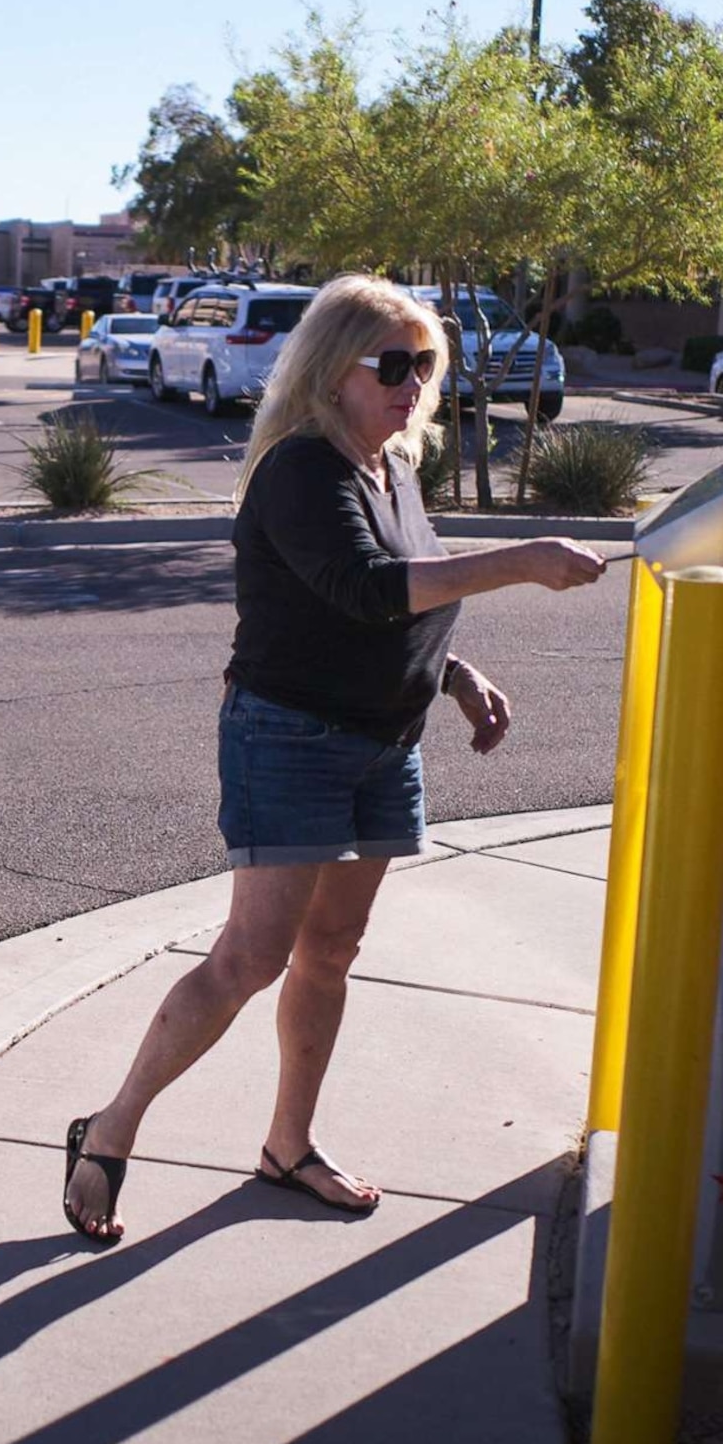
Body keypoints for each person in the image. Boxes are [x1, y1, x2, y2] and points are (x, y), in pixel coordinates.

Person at [61, 274, 607, 1243]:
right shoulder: (301, 469)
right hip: (291, 736)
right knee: (250, 958)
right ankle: (108, 1129)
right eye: (391, 365)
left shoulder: (390, 466)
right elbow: (361, 589)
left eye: (424, 366)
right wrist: (522, 558)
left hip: (382, 742)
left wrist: (458, 675)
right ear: (332, 369)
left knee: (332, 951)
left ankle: (287, 1147)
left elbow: (411, 598)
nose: (411, 385)